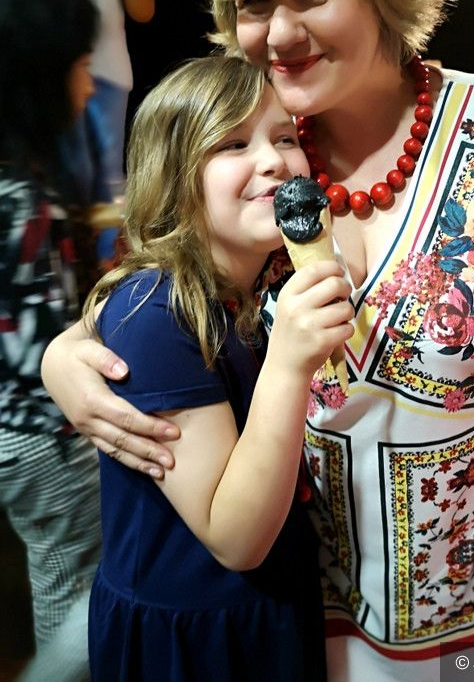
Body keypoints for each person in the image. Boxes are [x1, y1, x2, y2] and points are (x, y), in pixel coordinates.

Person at [41, 0, 474, 679]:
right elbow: (169, 285)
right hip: (293, 618)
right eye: (255, 0)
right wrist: (69, 354)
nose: (280, 33)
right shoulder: (255, 151)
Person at [79, 55, 353, 681]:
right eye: (233, 144)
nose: (274, 161)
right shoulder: (155, 314)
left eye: (285, 137)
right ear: (174, 175)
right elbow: (235, 538)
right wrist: (289, 364)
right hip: (195, 642)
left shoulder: (259, 290)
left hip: (269, 611)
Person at [0, 0, 101, 679]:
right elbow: (41, 354)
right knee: (85, 596)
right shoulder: (21, 200)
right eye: (81, 66)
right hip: (46, 441)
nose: (90, 85)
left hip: (21, 440)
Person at [0, 0, 155, 279]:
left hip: (109, 69)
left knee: (108, 181)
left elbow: (144, 9)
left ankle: (100, 270)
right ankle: (65, 263)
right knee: (69, 173)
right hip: (49, 72)